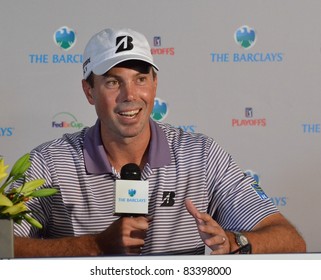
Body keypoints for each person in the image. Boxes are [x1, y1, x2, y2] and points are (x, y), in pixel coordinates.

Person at [13, 27, 306, 257]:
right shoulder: (50, 163)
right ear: (89, 91)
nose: (130, 95)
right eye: (113, 82)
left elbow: (290, 239)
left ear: (155, 84)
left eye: (141, 79)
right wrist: (94, 246)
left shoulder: (201, 156)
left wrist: (233, 241)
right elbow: (4, 245)